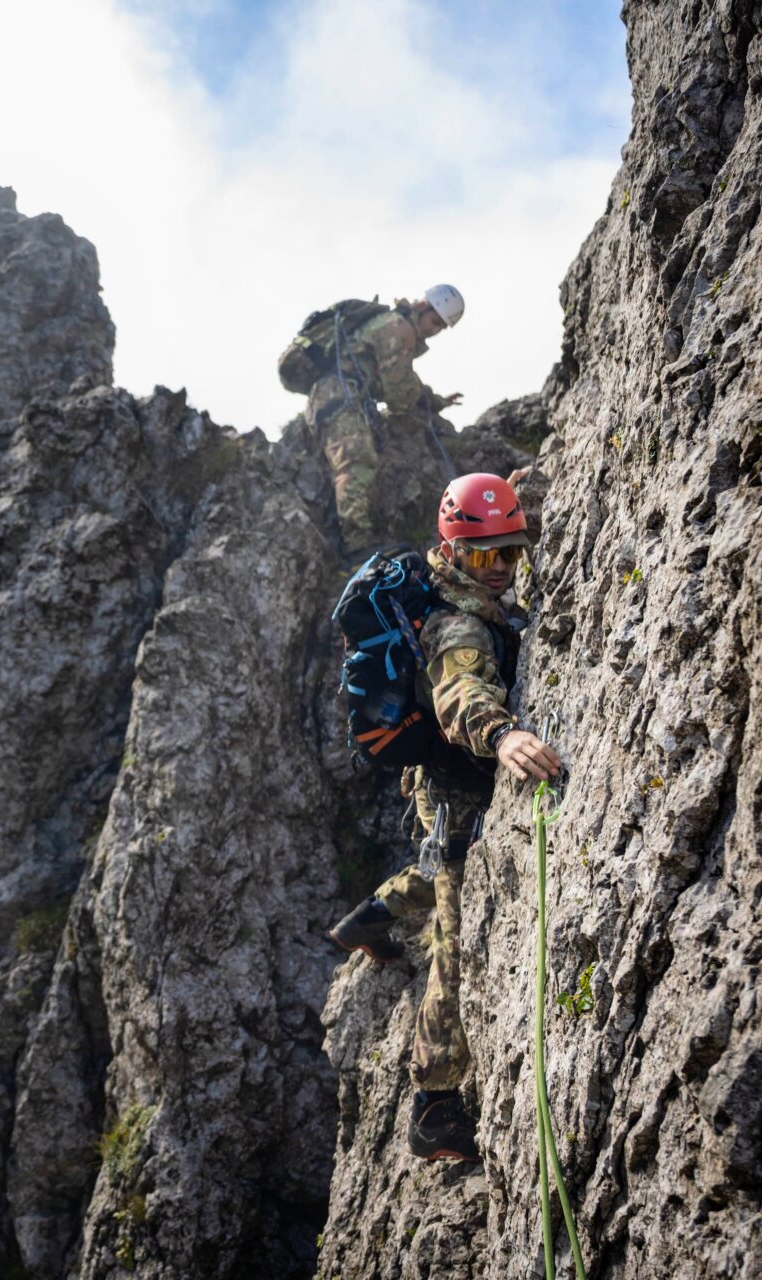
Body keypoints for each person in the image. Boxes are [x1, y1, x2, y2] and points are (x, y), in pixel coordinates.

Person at [326, 472, 562, 1162]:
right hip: (458, 788)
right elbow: (459, 691)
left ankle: (366, 919)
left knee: (434, 872)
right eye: (487, 557)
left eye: (512, 555)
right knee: (452, 947)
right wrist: (501, 735)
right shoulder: (457, 622)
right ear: (454, 550)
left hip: (441, 785)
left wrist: (525, 489)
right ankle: (433, 1105)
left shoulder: (450, 583)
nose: (502, 571)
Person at [306, 284, 465, 558]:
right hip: (337, 398)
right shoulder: (398, 330)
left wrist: (436, 401)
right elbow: (400, 394)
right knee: (357, 461)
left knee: (358, 461)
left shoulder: (395, 327)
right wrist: (423, 406)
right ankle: (357, 549)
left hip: (335, 397)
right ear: (423, 306)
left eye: (441, 327)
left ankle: (346, 538)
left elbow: (404, 381)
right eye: (434, 321)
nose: (434, 330)